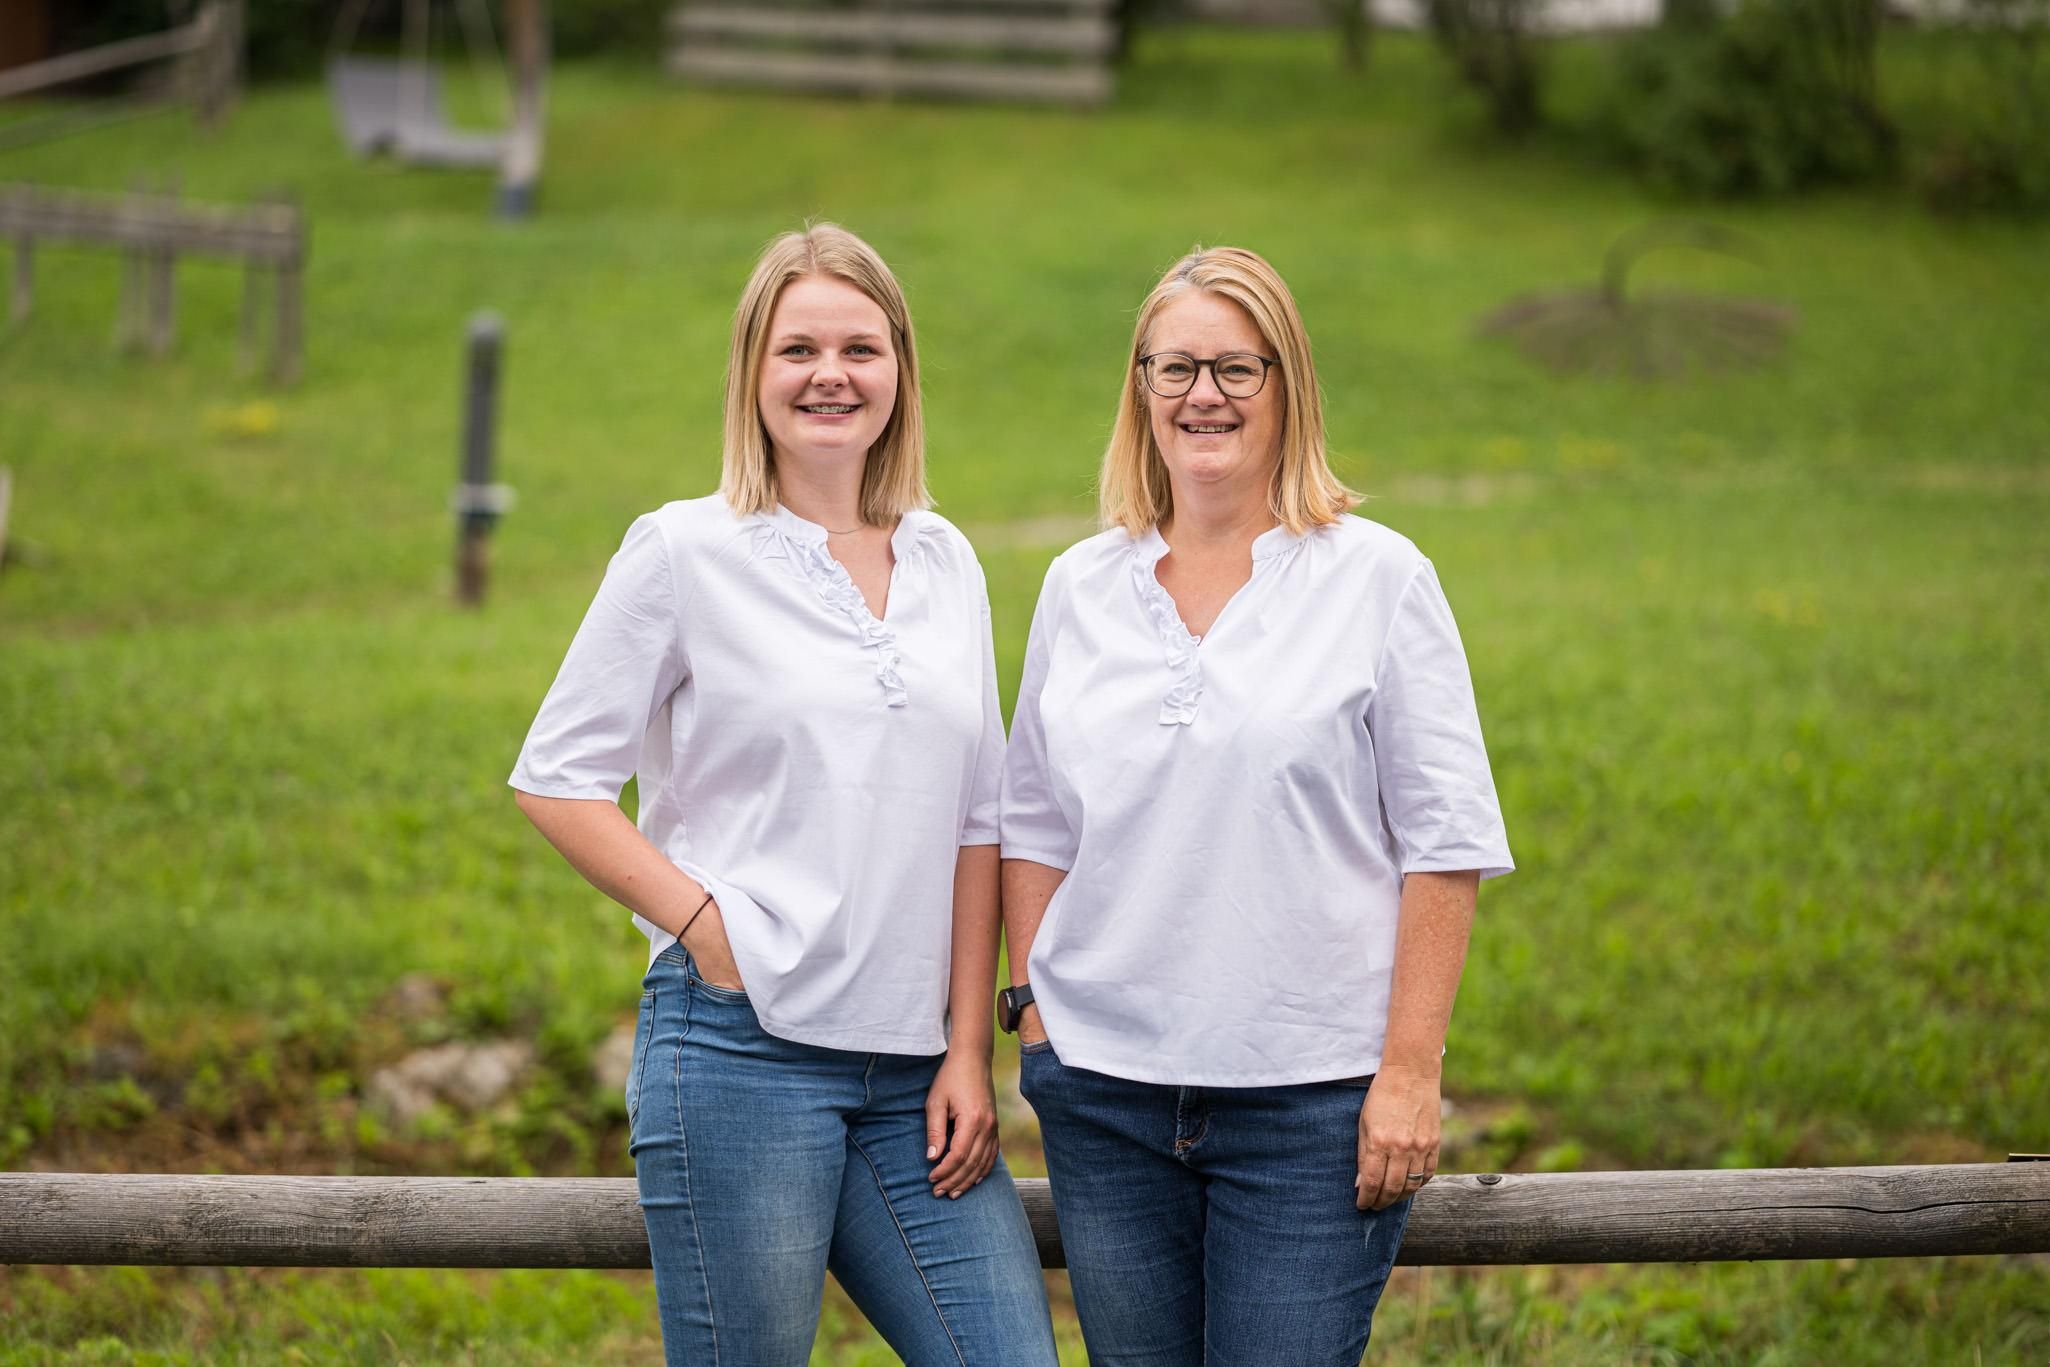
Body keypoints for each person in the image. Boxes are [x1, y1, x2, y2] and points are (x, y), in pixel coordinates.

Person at [509, 223, 1056, 1367]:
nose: (830, 374)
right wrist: (706, 927)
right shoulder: (683, 551)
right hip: (739, 1052)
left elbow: (977, 819)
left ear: (899, 370)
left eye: (861, 346)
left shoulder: (947, 560)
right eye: (797, 347)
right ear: (752, 373)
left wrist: (969, 1048)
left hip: (915, 1078)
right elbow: (556, 778)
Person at [998, 245, 1514, 1364]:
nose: (1204, 395)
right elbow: (1034, 820)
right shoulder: (1079, 587)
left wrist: (1410, 1072)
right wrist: (1036, 1019)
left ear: (1289, 387)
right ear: (1140, 388)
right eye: (1174, 366)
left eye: (1239, 367)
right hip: (1106, 1098)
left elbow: (1446, 842)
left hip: (1311, 1107)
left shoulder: (1378, 579)